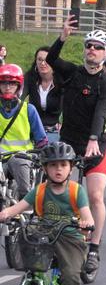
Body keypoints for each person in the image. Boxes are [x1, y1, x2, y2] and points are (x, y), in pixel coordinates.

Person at [0, 142, 94, 285]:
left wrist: (87, 222)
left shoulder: (77, 191)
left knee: (70, 278)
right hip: (44, 234)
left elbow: (87, 215)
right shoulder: (40, 191)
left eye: (63, 165)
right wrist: (5, 213)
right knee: (30, 256)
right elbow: (19, 207)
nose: (58, 169)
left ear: (70, 167)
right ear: (44, 168)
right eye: (53, 165)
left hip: (70, 238)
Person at [46, 18, 106, 274]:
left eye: (98, 47)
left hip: (95, 143)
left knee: (96, 195)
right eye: (89, 46)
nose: (92, 50)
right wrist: (63, 36)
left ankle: (94, 248)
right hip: (69, 141)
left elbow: (100, 112)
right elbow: (51, 60)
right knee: (57, 191)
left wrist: (94, 140)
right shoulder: (74, 73)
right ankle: (52, 236)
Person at [0, 64, 48, 198]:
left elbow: (41, 140)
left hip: (22, 157)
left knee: (18, 163)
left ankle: (25, 203)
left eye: (12, 84)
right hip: (1, 158)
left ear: (18, 86)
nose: (7, 87)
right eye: (3, 83)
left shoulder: (28, 109)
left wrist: (43, 155)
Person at [23, 46, 64, 142]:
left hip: (54, 130)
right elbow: (19, 98)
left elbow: (68, 105)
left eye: (46, 60)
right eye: (39, 60)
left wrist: (65, 124)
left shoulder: (61, 80)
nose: (42, 63)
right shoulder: (29, 78)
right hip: (32, 128)